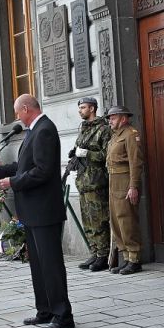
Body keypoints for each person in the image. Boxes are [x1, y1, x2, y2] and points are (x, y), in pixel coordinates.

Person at [0, 94, 74, 328]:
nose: (16, 117)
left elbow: (42, 171)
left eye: (17, 112)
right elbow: (23, 166)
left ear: (25, 108)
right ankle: (45, 310)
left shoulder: (44, 130)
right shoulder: (33, 131)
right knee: (38, 265)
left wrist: (12, 182)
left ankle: (63, 315)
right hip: (32, 210)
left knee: (50, 264)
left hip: (44, 210)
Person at [69, 97, 111, 272]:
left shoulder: (104, 130)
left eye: (83, 107)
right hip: (83, 182)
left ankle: (104, 254)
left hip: (97, 182)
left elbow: (106, 155)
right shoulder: (84, 129)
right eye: (79, 107)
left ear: (92, 108)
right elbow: (79, 150)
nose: (80, 110)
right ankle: (94, 251)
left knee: (99, 220)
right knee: (88, 221)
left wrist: (87, 154)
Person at [106, 105, 144, 275]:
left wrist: (133, 186)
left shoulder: (130, 134)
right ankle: (126, 257)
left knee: (126, 219)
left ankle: (134, 259)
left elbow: (135, 162)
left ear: (123, 118)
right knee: (116, 220)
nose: (110, 121)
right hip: (114, 182)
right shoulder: (115, 136)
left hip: (125, 181)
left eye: (113, 118)